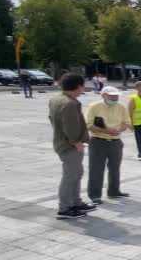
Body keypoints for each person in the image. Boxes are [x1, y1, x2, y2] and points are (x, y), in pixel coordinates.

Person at [49, 74, 95, 219]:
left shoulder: (56, 99)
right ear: (78, 86)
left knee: (77, 174)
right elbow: (71, 126)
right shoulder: (70, 103)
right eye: (82, 86)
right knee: (70, 176)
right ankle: (65, 208)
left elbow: (52, 119)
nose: (83, 89)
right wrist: (76, 142)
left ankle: (75, 202)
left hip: (62, 142)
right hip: (70, 146)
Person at [85, 86, 131, 205]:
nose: (115, 98)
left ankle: (114, 191)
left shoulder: (121, 107)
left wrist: (119, 129)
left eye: (116, 96)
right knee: (96, 169)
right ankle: (95, 195)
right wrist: (106, 131)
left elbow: (126, 123)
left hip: (115, 142)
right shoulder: (94, 107)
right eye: (111, 96)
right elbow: (89, 125)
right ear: (103, 95)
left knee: (115, 168)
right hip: (98, 141)